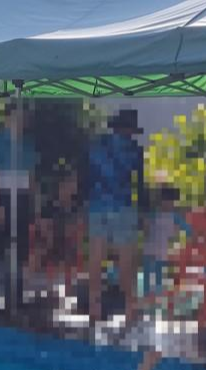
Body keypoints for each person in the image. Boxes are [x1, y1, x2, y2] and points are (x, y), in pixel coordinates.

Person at [87, 109, 145, 324]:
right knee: (126, 261)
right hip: (123, 208)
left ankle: (94, 307)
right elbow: (140, 185)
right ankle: (130, 309)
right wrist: (143, 213)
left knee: (96, 258)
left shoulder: (96, 146)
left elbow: (86, 177)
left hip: (98, 206)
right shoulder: (135, 150)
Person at [0, 101, 36, 314]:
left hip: (21, 200)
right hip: (2, 199)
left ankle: (17, 298)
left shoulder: (28, 144)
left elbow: (31, 177)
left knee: (20, 251)